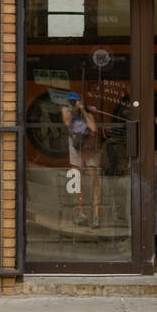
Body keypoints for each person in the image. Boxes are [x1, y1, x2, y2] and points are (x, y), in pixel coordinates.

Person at [62, 92, 102, 227]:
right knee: (77, 180)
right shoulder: (66, 109)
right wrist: (73, 109)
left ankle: (96, 215)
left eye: (76, 101)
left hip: (89, 147)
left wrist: (83, 110)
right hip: (75, 147)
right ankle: (82, 213)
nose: (74, 104)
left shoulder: (87, 112)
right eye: (72, 101)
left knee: (94, 180)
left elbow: (93, 128)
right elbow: (67, 122)